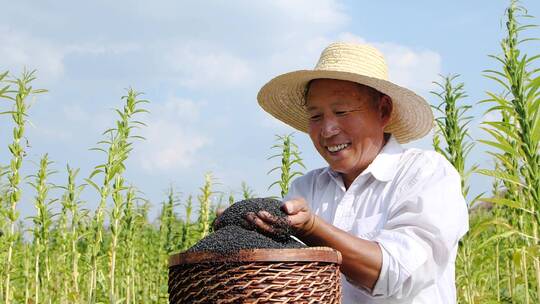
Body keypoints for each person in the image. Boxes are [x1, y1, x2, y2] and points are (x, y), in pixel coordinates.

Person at [232, 42, 468, 303]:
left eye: (342, 112)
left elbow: (397, 273)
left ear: (383, 110)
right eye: (316, 116)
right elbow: (283, 278)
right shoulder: (307, 188)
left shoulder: (424, 174)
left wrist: (312, 228)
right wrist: (246, 228)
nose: (328, 129)